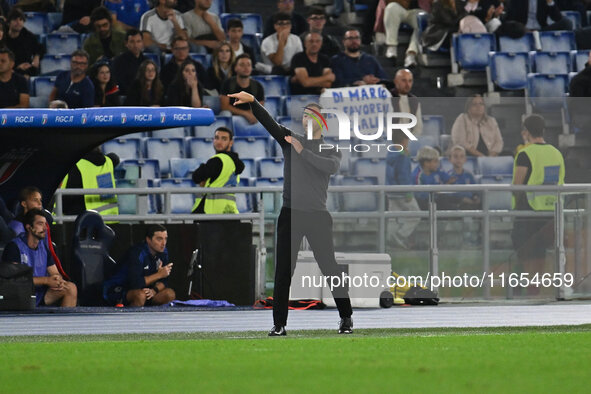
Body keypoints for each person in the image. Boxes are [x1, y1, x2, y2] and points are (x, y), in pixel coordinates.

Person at [227, 91, 353, 336]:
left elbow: (331, 167)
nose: (306, 118)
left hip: (317, 215)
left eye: (312, 115)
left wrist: (302, 152)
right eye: (304, 115)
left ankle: (346, 317)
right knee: (283, 270)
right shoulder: (290, 139)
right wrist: (253, 101)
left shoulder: (330, 148)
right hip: (290, 214)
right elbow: (270, 124)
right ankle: (279, 324)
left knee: (330, 268)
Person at [511, 114, 565, 295]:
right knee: (541, 255)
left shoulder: (525, 153)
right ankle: (538, 291)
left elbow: (518, 185)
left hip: (529, 211)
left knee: (529, 256)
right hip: (551, 210)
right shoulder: (556, 153)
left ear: (526, 132)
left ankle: (529, 294)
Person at [2, 208, 78, 307]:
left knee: (70, 288)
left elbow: (54, 272)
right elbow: (15, 280)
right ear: (29, 227)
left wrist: (58, 281)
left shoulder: (43, 247)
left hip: (39, 294)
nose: (45, 228)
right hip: (19, 296)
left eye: (45, 224)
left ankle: (65, 323)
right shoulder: (14, 247)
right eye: (40, 224)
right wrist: (46, 281)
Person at [103, 224, 175, 307]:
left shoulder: (163, 252)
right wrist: (159, 275)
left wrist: (154, 290)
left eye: (165, 239)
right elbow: (135, 283)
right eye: (159, 239)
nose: (163, 243)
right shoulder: (137, 253)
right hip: (118, 289)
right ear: (148, 240)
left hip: (145, 290)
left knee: (169, 294)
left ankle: (153, 318)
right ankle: (130, 319)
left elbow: (164, 281)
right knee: (140, 296)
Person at [191, 127, 245, 214]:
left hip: (210, 211)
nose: (219, 142)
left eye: (224, 139)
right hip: (229, 210)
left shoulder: (217, 160)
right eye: (216, 138)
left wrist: (202, 171)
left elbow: (196, 177)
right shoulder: (235, 162)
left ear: (231, 143)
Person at [60, 147, 120, 218]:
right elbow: (115, 158)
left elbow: (66, 200)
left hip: (82, 222)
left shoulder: (75, 166)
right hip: (110, 220)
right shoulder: (109, 162)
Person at [385, 129, 420, 249]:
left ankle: (390, 239)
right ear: (404, 140)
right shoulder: (402, 156)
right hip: (402, 192)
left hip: (391, 191)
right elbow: (403, 175)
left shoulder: (390, 153)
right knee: (416, 215)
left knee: (393, 217)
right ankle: (400, 235)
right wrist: (408, 192)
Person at [220, 53, 265, 124]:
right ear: (235, 68)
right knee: (226, 113)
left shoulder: (257, 86)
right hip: (233, 116)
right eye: (242, 65)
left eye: (248, 65)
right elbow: (224, 106)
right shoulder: (228, 83)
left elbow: (260, 107)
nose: (246, 68)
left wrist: (251, 114)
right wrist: (245, 114)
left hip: (251, 117)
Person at [383, 0, 425, 67]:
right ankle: (392, 46)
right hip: (399, 8)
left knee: (424, 20)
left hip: (417, 11)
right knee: (391, 7)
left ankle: (411, 54)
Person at [412, 146, 454, 210]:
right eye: (435, 161)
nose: (438, 163)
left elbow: (451, 180)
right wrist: (438, 191)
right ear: (426, 163)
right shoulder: (417, 176)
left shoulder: (437, 170)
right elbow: (420, 196)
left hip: (437, 201)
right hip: (426, 205)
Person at [5, 7, 43, 77]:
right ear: (8, 22)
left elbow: (40, 48)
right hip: (7, 70)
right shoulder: (3, 37)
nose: (18, 22)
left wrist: (37, 56)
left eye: (21, 20)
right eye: (15, 20)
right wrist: (17, 67)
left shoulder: (28, 36)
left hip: (25, 71)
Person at [112, 29, 147, 96]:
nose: (135, 45)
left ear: (142, 43)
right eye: (132, 42)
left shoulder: (146, 61)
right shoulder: (119, 61)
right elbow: (119, 82)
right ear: (126, 43)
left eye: (138, 41)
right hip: (127, 96)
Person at [390, 68, 423, 137]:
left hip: (409, 142)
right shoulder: (388, 98)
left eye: (410, 81)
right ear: (396, 81)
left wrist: (409, 141)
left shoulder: (414, 101)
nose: (407, 84)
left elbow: (418, 127)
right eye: (404, 81)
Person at [446, 145, 481, 209]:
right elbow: (448, 194)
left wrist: (475, 197)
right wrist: (462, 199)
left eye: (461, 156)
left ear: (465, 159)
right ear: (450, 159)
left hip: (471, 202)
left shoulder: (469, 175)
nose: (458, 159)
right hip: (457, 203)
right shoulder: (448, 176)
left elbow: (475, 191)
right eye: (455, 156)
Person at [504, 0, 573, 32]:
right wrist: (522, 28)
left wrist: (550, 2)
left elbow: (557, 18)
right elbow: (510, 18)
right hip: (523, 30)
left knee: (566, 22)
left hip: (541, 30)